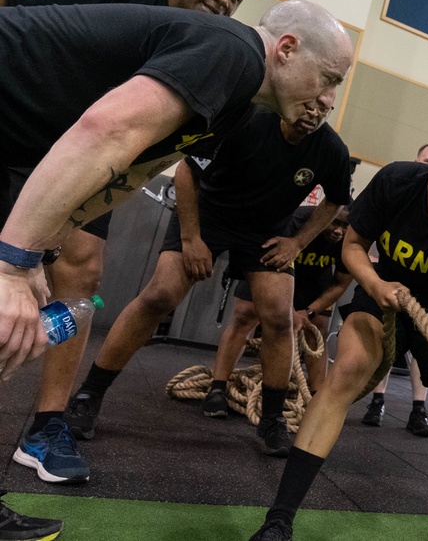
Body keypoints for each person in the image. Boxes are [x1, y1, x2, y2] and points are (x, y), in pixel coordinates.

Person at [0, 0, 253, 491]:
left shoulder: (205, 56)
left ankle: (47, 425)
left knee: (84, 274)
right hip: (15, 115)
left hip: (69, 164)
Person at [248, 131, 428, 541]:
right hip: (381, 293)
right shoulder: (396, 182)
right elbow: (354, 245)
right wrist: (376, 285)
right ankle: (278, 522)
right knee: (347, 372)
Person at [65, 108, 352, 457]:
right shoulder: (244, 119)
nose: (313, 111)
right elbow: (187, 172)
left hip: (266, 232)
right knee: (159, 296)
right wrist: (191, 239)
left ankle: (272, 420)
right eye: (308, 101)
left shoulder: (331, 149)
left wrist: (298, 242)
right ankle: (88, 395)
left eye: (324, 105)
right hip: (207, 214)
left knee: (279, 317)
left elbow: (336, 199)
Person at [204, 203, 354, 414]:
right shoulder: (297, 220)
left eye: (345, 226)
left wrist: (308, 312)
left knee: (318, 327)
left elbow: (340, 283)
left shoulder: (351, 238)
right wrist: (288, 312)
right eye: (335, 223)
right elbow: (273, 263)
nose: (339, 231)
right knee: (245, 316)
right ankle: (217, 388)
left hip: (314, 275)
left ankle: (317, 399)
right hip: (271, 264)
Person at [360, 142, 428, 436]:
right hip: (390, 281)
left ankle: (418, 410)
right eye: (427, 160)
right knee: (385, 344)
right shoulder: (400, 190)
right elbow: (367, 227)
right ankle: (376, 402)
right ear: (416, 161)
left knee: (424, 348)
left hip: (424, 289)